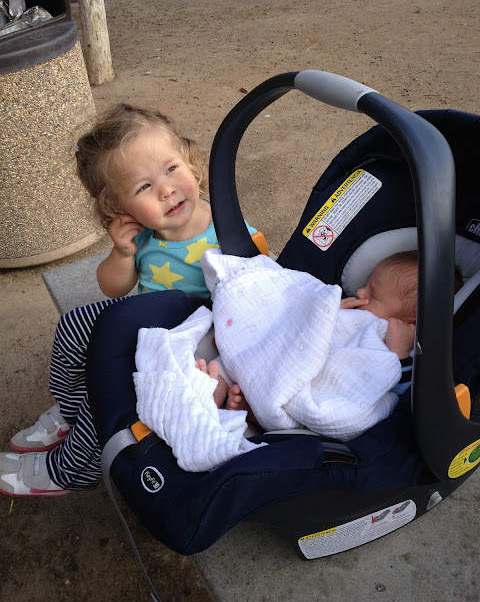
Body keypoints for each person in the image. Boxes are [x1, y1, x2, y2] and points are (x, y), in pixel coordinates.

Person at [0, 103, 257, 497]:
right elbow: (113, 289)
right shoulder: (141, 237)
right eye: (143, 187)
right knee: (73, 326)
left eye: (171, 169)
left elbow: (261, 292)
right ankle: (71, 410)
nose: (166, 190)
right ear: (120, 208)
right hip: (146, 324)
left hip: (193, 342)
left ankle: (72, 469)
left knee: (113, 388)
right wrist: (121, 253)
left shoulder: (231, 230)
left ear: (190, 162)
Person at [224, 250, 463, 416]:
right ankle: (245, 348)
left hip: (328, 393)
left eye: (373, 295)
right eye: (366, 284)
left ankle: (262, 409)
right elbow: (307, 323)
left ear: (409, 321)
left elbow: (398, 391)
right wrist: (329, 311)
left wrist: (398, 351)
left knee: (321, 408)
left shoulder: (403, 350)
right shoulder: (355, 314)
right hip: (296, 358)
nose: (359, 292)